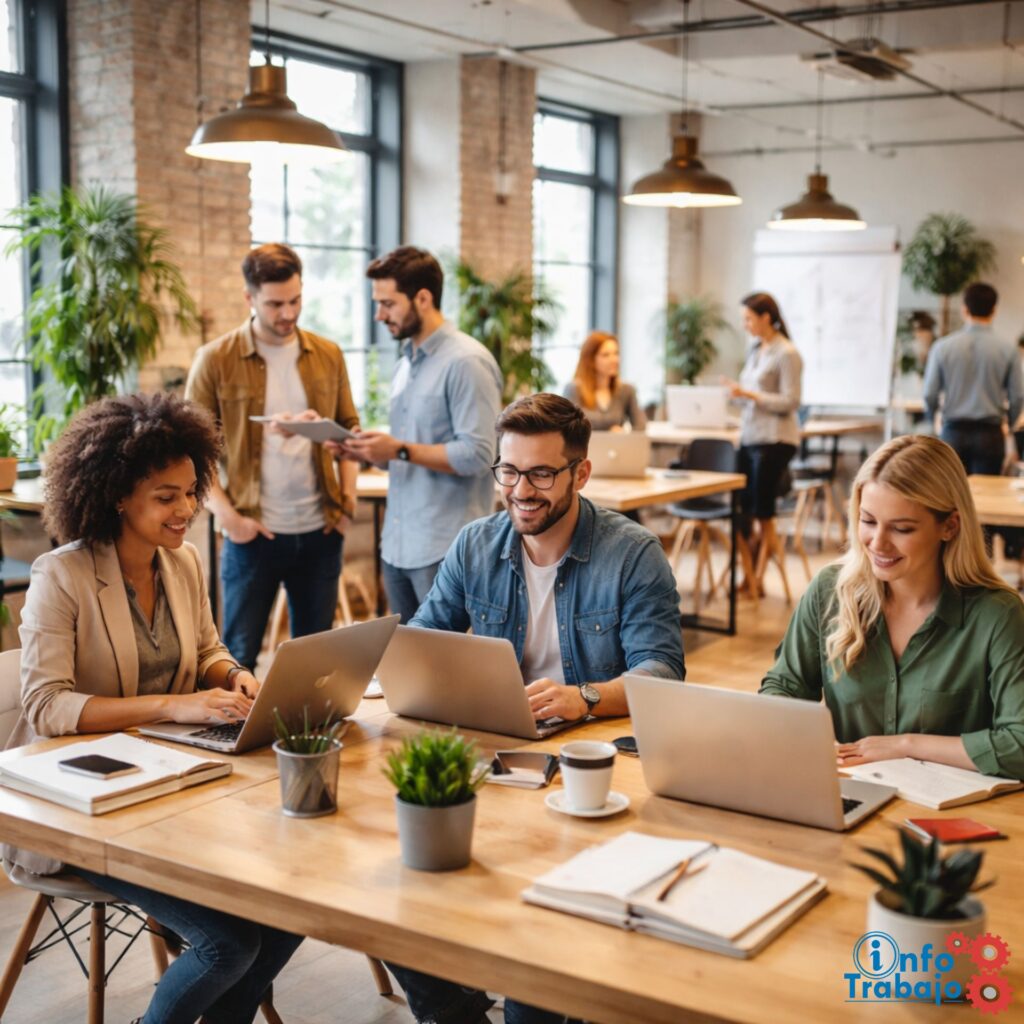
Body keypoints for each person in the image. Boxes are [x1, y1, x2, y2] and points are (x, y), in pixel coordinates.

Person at [3, 393, 303, 1024]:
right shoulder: (62, 575)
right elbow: (47, 705)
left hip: (177, 786)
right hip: (87, 809)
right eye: (166, 497)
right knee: (229, 944)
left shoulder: (183, 562)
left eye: (192, 492)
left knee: (296, 903)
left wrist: (238, 678)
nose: (188, 510)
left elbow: (207, 650)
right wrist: (181, 705)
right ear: (118, 495)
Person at [386, 393, 684, 1024]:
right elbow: (421, 640)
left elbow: (662, 673)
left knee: (535, 967)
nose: (522, 490)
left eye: (542, 474)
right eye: (509, 472)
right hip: (495, 764)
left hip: (588, 768)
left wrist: (585, 698)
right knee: (397, 909)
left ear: (580, 473)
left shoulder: (631, 554)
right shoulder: (474, 545)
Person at [761, 434, 1024, 779]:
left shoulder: (997, 615)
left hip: (957, 816)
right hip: (851, 795)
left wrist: (905, 745)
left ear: (950, 526)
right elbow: (783, 688)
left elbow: (1019, 743)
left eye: (901, 528)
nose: (878, 543)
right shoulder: (829, 592)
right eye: (868, 521)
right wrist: (798, 733)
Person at [185, 242, 359, 670]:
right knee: (237, 657)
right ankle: (234, 738)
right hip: (253, 532)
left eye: (296, 300)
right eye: (276, 304)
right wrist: (228, 518)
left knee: (315, 662)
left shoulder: (328, 355)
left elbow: (350, 432)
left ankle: (307, 739)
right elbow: (190, 454)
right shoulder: (215, 360)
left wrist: (348, 503)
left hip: (321, 530)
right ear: (250, 299)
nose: (288, 313)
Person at [332, 246, 503, 624]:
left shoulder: (466, 362)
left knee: (445, 672)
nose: (379, 315)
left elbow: (479, 455)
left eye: (388, 304)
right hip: (398, 545)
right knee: (406, 668)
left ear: (423, 299)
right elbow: (406, 450)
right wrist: (367, 451)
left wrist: (400, 449)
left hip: (446, 548)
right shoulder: (405, 362)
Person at [721, 292, 803, 584]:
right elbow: (752, 399)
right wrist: (737, 395)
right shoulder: (756, 350)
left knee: (762, 510)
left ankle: (758, 578)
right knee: (744, 507)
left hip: (775, 440)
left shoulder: (787, 353)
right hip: (750, 436)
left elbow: (791, 402)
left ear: (766, 317)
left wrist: (751, 395)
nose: (745, 325)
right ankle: (750, 576)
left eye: (748, 318)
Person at [923, 282, 1023, 476]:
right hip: (990, 434)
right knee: (986, 497)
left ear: (964, 309)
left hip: (953, 431)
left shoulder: (942, 347)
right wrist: (1009, 427)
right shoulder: (1008, 349)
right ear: (994, 310)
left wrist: (932, 421)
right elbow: (1018, 396)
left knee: (951, 497)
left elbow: (929, 393)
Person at [563, 330, 646, 431]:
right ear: (591, 360)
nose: (615, 360)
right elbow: (567, 431)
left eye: (616, 353)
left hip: (617, 446)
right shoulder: (573, 389)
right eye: (606, 355)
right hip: (585, 447)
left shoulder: (626, 390)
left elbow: (641, 428)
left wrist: (624, 433)